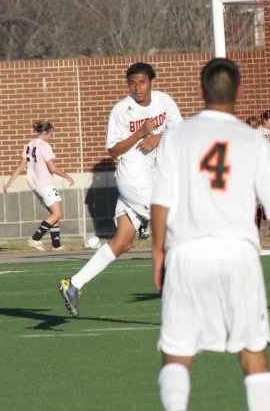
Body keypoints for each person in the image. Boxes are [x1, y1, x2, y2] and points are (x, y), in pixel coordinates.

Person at [150, 58, 270, 411]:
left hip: (187, 254)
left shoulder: (178, 136)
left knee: (177, 353)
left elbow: (161, 202)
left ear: (202, 90)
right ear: (237, 93)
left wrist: (158, 253)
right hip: (239, 256)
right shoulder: (253, 140)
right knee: (253, 353)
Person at [58, 62, 182, 317]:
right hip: (134, 180)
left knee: (123, 242)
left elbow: (180, 131)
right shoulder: (121, 111)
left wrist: (158, 137)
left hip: (154, 176)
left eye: (142, 82)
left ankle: (74, 284)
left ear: (152, 82)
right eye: (132, 83)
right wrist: (140, 134)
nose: (137, 88)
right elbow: (113, 150)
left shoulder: (164, 102)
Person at [2, 119, 75, 251]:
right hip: (45, 184)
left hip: (35, 185)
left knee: (53, 214)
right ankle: (35, 238)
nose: (51, 136)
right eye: (51, 133)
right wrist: (67, 176)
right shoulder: (44, 146)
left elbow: (21, 166)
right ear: (46, 132)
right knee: (57, 214)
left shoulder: (29, 145)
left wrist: (9, 183)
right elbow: (52, 167)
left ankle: (56, 245)